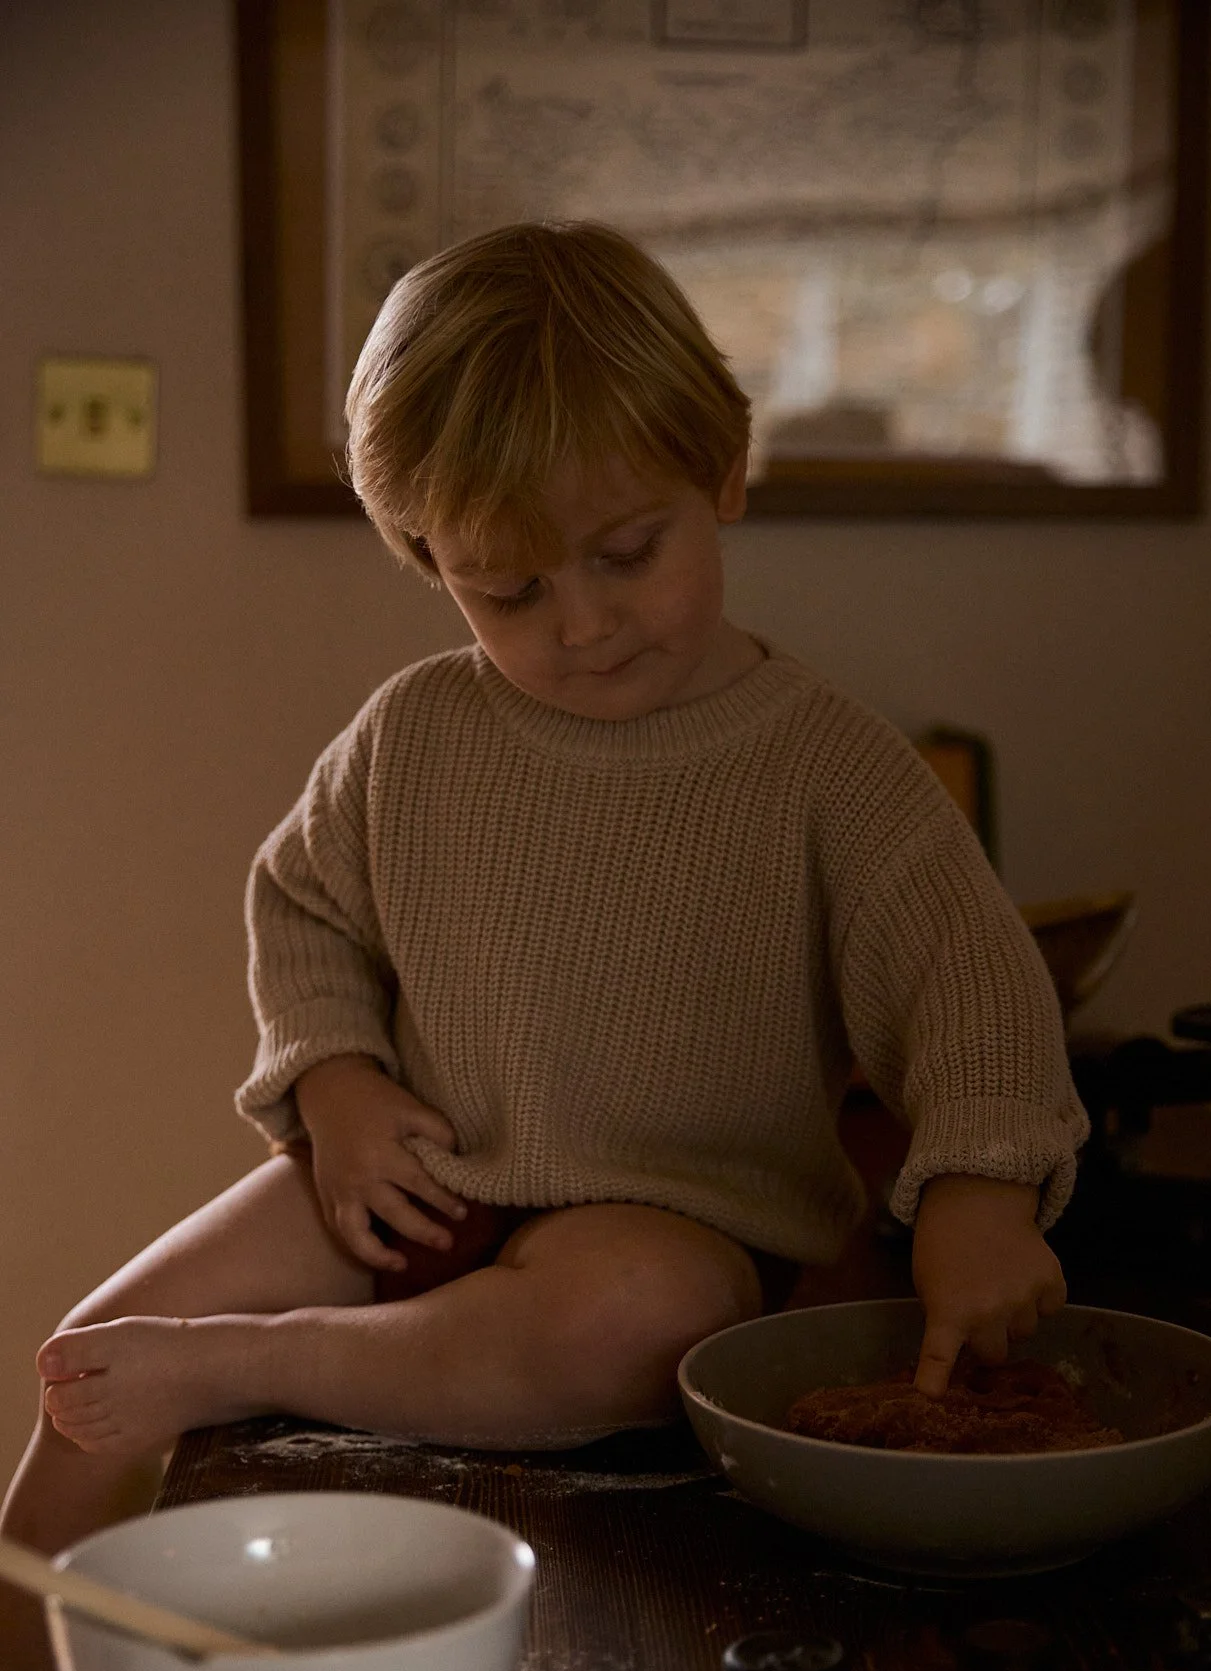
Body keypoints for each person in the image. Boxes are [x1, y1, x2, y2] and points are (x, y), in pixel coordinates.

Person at [2, 221, 1086, 1555]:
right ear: (427, 557)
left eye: (627, 552)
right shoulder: (414, 733)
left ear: (724, 472)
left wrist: (982, 1193)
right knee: (84, 1368)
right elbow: (304, 911)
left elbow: (972, 988)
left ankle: (262, 1360)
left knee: (624, 1321)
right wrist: (334, 1082)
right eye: (504, 590)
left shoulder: (827, 764)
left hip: (681, 1228)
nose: (578, 623)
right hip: (416, 1179)